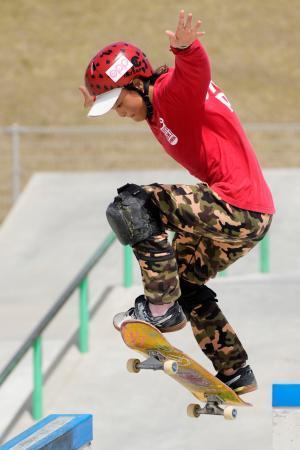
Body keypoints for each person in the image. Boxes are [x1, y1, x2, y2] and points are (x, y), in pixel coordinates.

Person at [79, 10, 274, 395]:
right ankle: (234, 370)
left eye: (121, 105)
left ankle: (159, 309)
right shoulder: (154, 103)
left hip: (235, 205)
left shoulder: (170, 91)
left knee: (133, 204)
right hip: (250, 215)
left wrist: (186, 48)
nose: (122, 114)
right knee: (186, 282)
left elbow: (195, 74)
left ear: (137, 85)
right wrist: (101, 97)